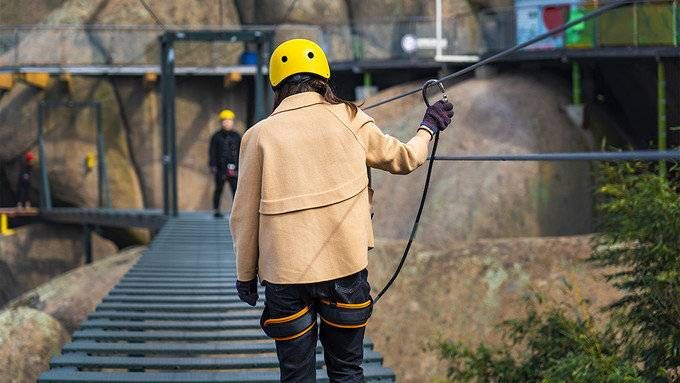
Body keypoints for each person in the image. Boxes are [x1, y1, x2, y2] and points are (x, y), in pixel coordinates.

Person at [230, 39, 453, 382]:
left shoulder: (258, 136)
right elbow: (406, 158)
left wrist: (246, 275)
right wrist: (429, 124)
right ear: (323, 78)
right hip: (345, 272)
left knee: (296, 377)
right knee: (347, 371)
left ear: (277, 85)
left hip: (285, 279)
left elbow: (243, 216)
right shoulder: (352, 119)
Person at [209, 109, 241, 218]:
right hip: (220, 169)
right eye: (224, 121)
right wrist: (213, 166)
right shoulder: (216, 136)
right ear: (221, 122)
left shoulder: (237, 136)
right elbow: (212, 152)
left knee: (236, 190)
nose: (226, 123)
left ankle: (237, 211)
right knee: (219, 189)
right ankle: (216, 210)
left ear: (232, 122)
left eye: (229, 120)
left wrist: (240, 166)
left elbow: (241, 151)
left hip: (234, 169)